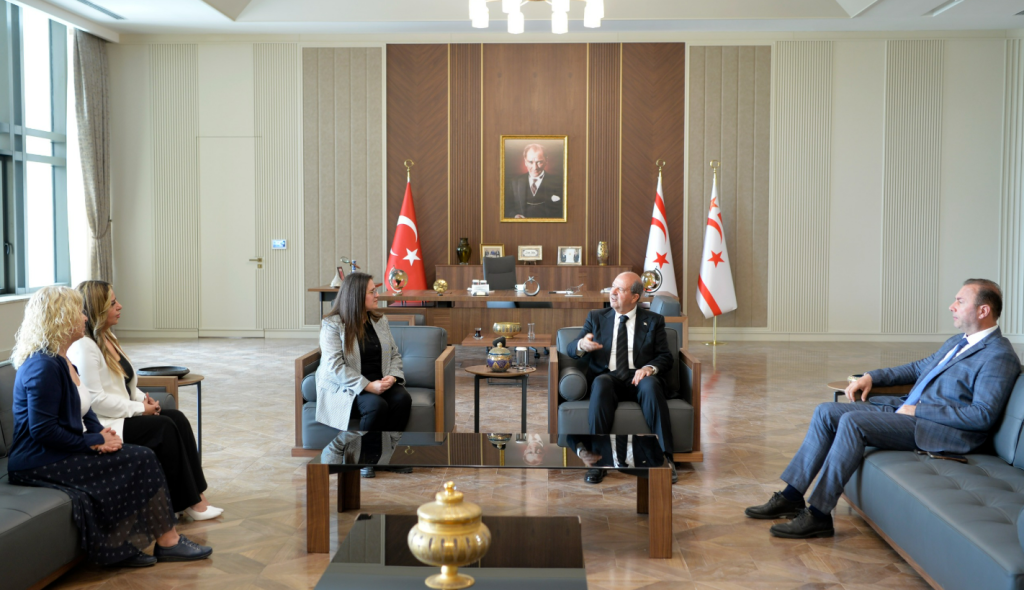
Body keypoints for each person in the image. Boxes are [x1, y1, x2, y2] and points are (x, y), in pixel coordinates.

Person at [745, 279, 1022, 539]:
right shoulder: (958, 341)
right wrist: (871, 377)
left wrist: (918, 411)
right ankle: (791, 496)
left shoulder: (998, 355)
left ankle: (818, 515)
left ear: (983, 310)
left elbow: (982, 415)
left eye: (960, 301)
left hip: (941, 430)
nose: (952, 306)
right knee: (826, 411)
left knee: (853, 422)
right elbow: (917, 368)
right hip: (909, 412)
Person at [8, 286, 212, 567]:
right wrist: (93, 442)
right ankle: (167, 542)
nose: (84, 317)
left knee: (137, 456)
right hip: (37, 461)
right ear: (62, 318)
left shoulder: (62, 361)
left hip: (61, 449)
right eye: (78, 312)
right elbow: (42, 431)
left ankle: (127, 545)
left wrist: (102, 434)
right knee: (141, 457)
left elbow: (86, 410)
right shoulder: (42, 366)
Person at [68, 281, 221, 521]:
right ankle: (187, 501)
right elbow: (96, 401)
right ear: (98, 309)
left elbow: (126, 383)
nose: (120, 306)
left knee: (178, 419)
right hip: (107, 422)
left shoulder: (108, 337)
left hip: (122, 413)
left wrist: (146, 400)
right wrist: (140, 409)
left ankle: (197, 496)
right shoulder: (84, 347)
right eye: (112, 303)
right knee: (164, 427)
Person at [567, 272, 678, 484]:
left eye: (621, 289)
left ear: (635, 297)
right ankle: (598, 461)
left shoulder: (654, 321)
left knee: (651, 386)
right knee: (601, 382)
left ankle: (665, 459)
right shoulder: (596, 317)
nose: (613, 292)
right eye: (613, 287)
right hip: (609, 378)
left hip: (640, 378)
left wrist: (649, 368)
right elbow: (571, 348)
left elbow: (665, 356)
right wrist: (582, 344)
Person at [316, 272, 412, 478]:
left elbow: (394, 353)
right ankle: (365, 459)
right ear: (357, 296)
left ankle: (388, 457)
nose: (377, 295)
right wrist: (368, 386)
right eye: (372, 292)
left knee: (402, 399)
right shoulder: (333, 324)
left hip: (380, 380)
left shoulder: (379, 320)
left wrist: (392, 377)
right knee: (376, 406)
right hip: (348, 386)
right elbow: (334, 366)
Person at [505, 143, 564, 219]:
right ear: (525, 162)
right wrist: (515, 215)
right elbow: (507, 207)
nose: (535, 167)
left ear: (546, 161)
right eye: (530, 162)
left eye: (539, 162)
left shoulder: (559, 182)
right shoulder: (514, 182)